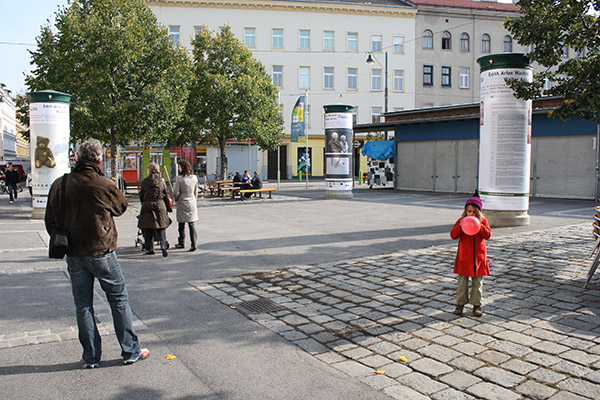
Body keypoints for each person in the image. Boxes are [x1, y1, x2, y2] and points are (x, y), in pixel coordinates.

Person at [45, 139, 148, 368]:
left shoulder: (60, 184)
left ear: (78, 158)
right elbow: (121, 208)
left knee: (83, 304)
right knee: (118, 300)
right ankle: (130, 351)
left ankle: (91, 357)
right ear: (99, 159)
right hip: (101, 250)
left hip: (74, 253)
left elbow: (50, 220)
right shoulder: (103, 183)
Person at [450, 193, 492, 317]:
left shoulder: (483, 221)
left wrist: (480, 226)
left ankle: (476, 305)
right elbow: (453, 235)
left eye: (474, 212)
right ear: (465, 211)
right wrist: (460, 226)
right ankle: (460, 304)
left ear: (478, 212)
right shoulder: (461, 221)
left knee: (477, 283)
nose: (471, 214)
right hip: (464, 258)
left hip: (478, 258)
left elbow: (488, 235)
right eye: (469, 211)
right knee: (462, 283)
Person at [139, 162, 170, 257]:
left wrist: (143, 201)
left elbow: (142, 194)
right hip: (160, 204)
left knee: (147, 227)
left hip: (148, 204)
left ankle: (150, 248)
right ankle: (163, 245)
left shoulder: (145, 181)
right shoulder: (161, 181)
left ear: (148, 170)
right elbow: (165, 192)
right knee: (161, 225)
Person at [173, 160, 198, 251]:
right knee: (192, 223)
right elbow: (196, 192)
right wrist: (194, 199)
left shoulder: (179, 178)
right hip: (191, 201)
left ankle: (181, 242)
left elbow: (176, 192)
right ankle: (194, 243)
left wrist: (175, 199)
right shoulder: (194, 178)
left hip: (182, 201)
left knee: (181, 224)